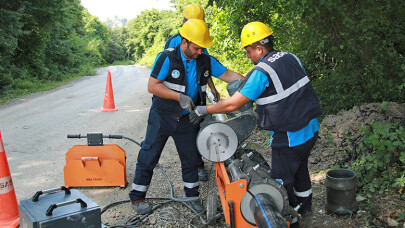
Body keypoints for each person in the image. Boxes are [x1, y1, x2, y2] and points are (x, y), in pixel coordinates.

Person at [189, 21, 322, 227]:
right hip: (311, 128)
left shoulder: (263, 71)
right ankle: (305, 209)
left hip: (289, 135)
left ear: (259, 48)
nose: (248, 56)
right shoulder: (291, 57)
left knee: (280, 182)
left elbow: (234, 104)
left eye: (249, 51)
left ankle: (286, 220)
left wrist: (204, 109)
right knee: (301, 169)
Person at [129, 19, 244, 215]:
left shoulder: (205, 60)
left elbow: (227, 74)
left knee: (191, 159)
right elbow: (153, 86)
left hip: (188, 119)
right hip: (162, 116)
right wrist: (178, 96)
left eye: (202, 48)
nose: (200, 52)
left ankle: (192, 197)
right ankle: (138, 197)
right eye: (197, 48)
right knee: (149, 154)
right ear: (184, 42)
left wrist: (253, 79)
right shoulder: (166, 58)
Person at [164, 3, 220, 182]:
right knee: (186, 135)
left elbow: (204, 65)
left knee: (197, 128)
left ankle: (199, 165)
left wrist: (212, 86)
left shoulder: (200, 39)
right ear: (184, 22)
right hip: (178, 101)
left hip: (197, 96)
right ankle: (194, 166)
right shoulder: (174, 42)